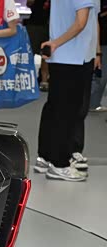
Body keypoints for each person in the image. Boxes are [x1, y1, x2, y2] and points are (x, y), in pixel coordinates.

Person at [35, 0, 98, 181]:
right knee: (67, 112)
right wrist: (56, 43)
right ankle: (60, 163)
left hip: (65, 57)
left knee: (54, 108)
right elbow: (81, 22)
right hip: (73, 57)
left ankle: (46, 157)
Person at [26, 0, 51, 91]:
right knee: (30, 53)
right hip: (35, 24)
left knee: (46, 53)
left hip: (48, 25)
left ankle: (44, 80)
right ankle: (29, 80)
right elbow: (29, 3)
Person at [90, 2, 106, 109]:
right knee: (101, 74)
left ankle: (93, 103)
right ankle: (93, 103)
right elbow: (96, 17)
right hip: (102, 40)